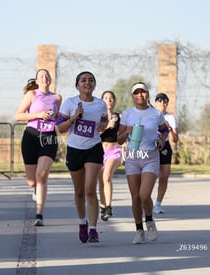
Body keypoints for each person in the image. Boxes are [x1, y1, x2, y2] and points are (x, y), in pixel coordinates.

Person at [57, 71, 108, 243]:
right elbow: (60, 128)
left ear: (95, 84)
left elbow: (105, 121)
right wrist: (73, 118)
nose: (87, 83)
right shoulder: (70, 103)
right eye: (83, 80)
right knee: (79, 191)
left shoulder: (100, 104)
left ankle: (93, 229)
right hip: (75, 149)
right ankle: (82, 223)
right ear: (77, 85)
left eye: (91, 80)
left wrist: (103, 125)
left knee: (89, 189)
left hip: (93, 148)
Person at [118, 82, 169, 244]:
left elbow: (165, 131)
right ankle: (139, 230)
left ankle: (149, 220)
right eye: (137, 92)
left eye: (143, 92)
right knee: (135, 197)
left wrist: (162, 140)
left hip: (150, 157)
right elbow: (119, 140)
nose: (140, 95)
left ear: (148, 94)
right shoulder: (126, 114)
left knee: (144, 194)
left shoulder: (156, 114)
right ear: (132, 96)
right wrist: (127, 131)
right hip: (133, 157)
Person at [15, 69, 62, 226]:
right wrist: (38, 115)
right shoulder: (32, 95)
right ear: (37, 80)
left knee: (42, 175)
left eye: (47, 76)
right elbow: (18, 115)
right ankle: (35, 188)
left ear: (50, 79)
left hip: (49, 137)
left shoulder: (57, 97)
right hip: (31, 136)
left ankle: (39, 214)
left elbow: (56, 117)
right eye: (41, 76)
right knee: (31, 180)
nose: (44, 78)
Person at [98, 91, 122, 222]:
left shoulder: (117, 116)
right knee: (101, 181)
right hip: (99, 150)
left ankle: (109, 206)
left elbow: (117, 129)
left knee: (107, 176)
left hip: (114, 150)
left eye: (111, 98)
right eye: (106, 98)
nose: (109, 100)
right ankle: (103, 206)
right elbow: (96, 132)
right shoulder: (97, 116)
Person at [153, 92, 179, 214]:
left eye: (164, 101)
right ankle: (145, 200)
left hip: (165, 147)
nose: (162, 103)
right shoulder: (151, 115)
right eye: (159, 101)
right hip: (152, 146)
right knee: (150, 176)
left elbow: (175, 139)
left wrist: (169, 129)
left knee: (164, 177)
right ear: (155, 103)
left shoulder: (170, 117)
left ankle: (158, 204)